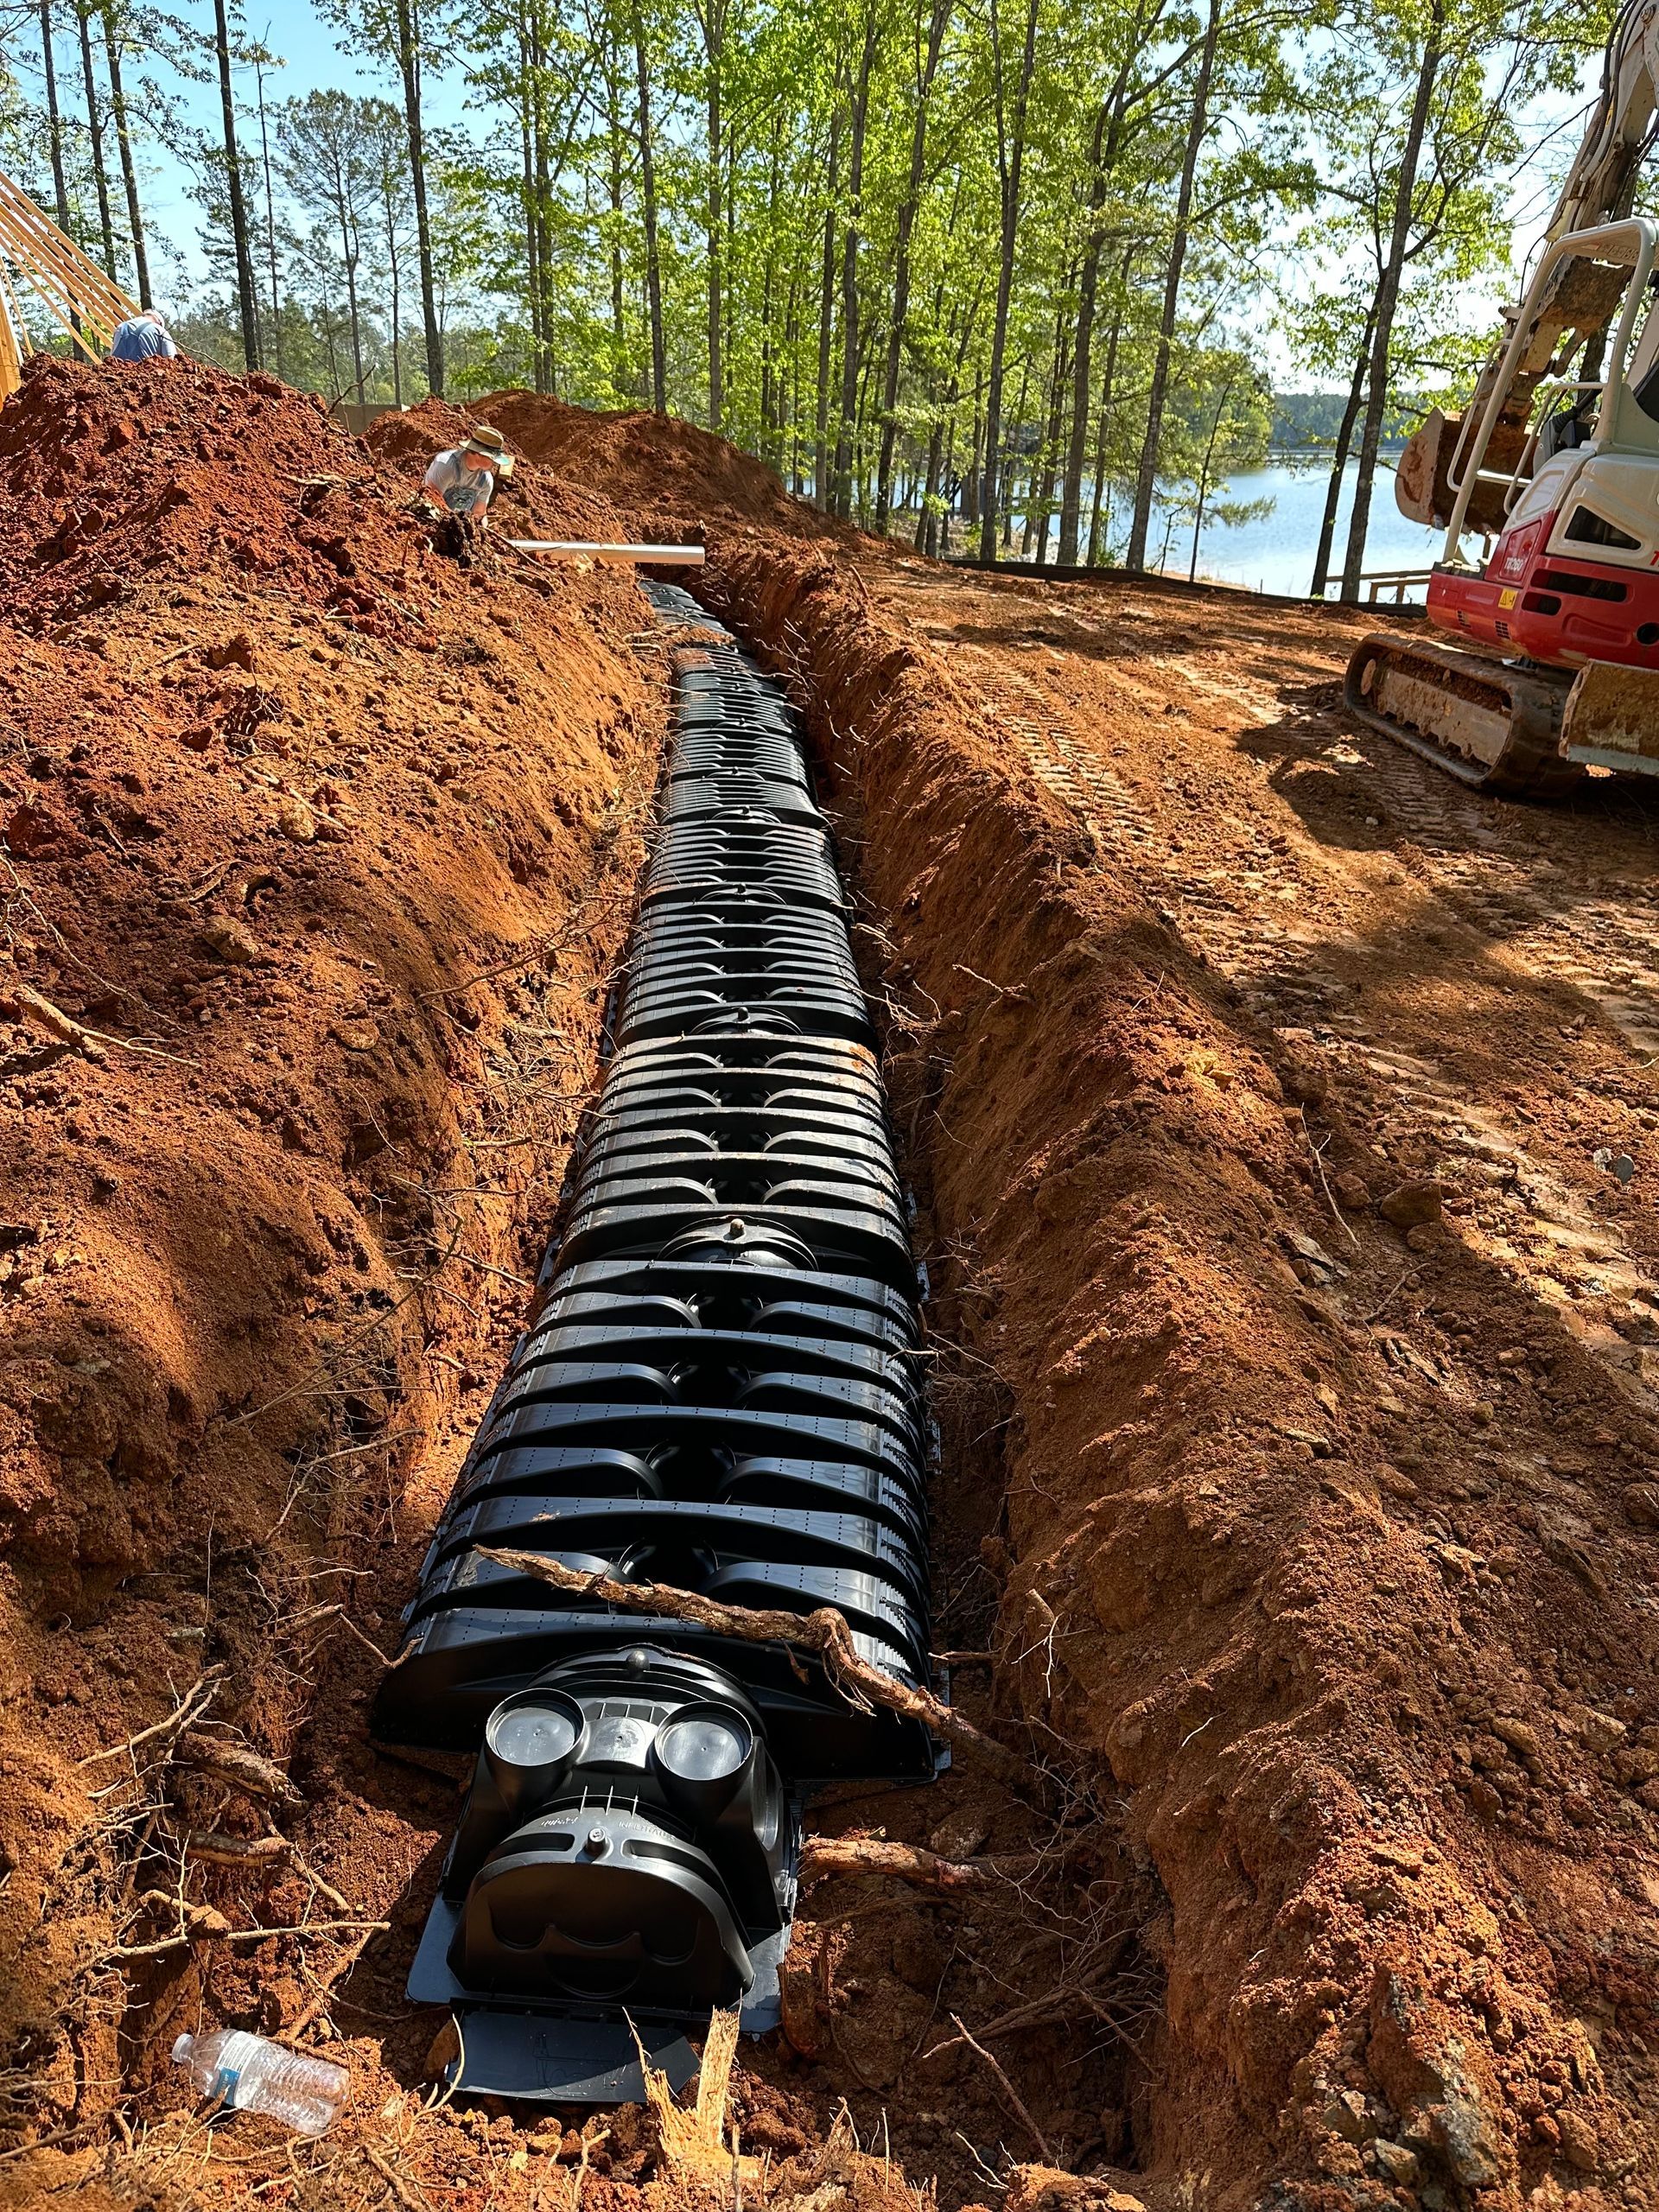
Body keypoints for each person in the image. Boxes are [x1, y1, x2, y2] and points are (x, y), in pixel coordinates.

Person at [422, 426, 515, 527]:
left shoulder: (485, 480)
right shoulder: (446, 466)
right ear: (478, 453)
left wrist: (483, 531)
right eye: (492, 458)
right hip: (431, 523)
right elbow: (432, 501)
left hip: (457, 530)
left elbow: (479, 514)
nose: (494, 463)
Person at [109, 307, 178, 361]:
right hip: (147, 377)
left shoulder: (121, 327)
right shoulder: (160, 330)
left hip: (118, 376)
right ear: (159, 322)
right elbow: (171, 359)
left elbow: (112, 358)